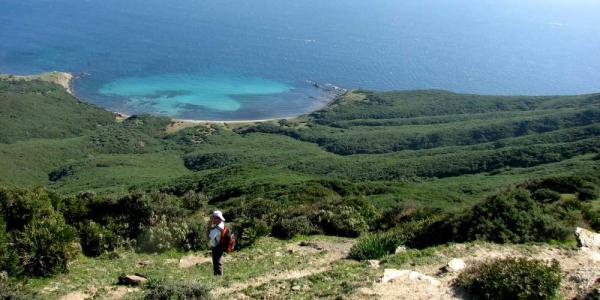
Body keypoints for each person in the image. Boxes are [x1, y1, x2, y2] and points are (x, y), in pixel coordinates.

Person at [208, 210, 226, 276]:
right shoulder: (221, 224)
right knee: (218, 262)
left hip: (217, 246)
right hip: (219, 245)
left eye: (213, 218)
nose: (212, 220)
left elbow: (210, 237)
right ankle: (218, 276)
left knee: (217, 262)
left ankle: (219, 277)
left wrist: (209, 227)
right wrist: (211, 226)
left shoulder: (218, 228)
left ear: (217, 218)